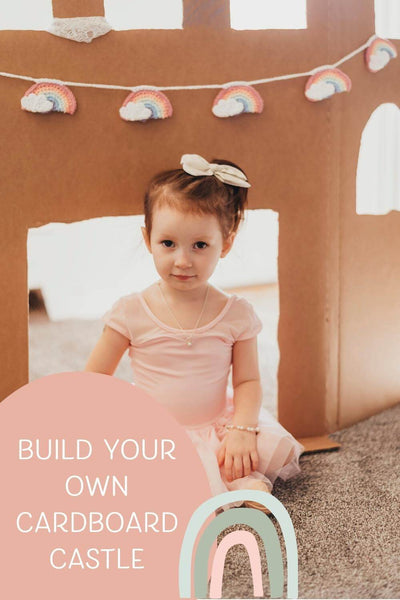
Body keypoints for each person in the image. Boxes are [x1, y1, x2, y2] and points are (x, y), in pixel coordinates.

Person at [85, 153, 303, 510]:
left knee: (235, 455)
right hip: (154, 431)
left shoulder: (236, 314)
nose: (183, 260)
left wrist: (242, 430)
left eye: (200, 245)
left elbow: (247, 381)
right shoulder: (131, 312)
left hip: (217, 424)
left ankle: (238, 477)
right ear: (148, 238)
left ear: (226, 244)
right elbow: (94, 378)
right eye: (168, 244)